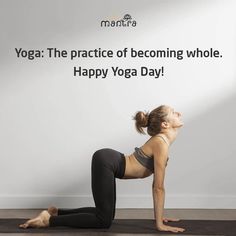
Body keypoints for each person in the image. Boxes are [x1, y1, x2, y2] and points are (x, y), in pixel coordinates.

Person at [19, 105, 185, 233]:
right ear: (165, 124)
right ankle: (47, 220)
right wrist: (159, 224)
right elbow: (158, 187)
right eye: (174, 112)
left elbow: (158, 187)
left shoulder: (161, 142)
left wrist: (160, 217)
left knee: (105, 214)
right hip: (107, 162)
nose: (179, 113)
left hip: (109, 160)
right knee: (103, 221)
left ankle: (56, 212)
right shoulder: (161, 143)